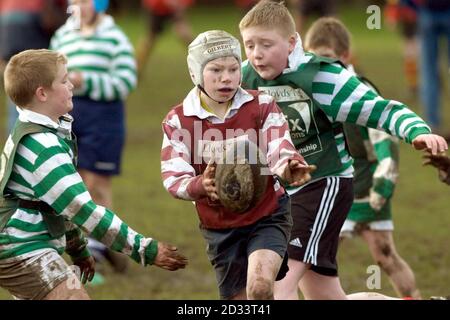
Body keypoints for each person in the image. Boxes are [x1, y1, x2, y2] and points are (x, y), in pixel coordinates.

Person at [239, 0, 447, 300]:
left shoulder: (320, 76)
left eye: (266, 44)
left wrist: (417, 130)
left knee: (270, 288)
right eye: (249, 44)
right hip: (282, 195)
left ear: (292, 42)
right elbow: (206, 112)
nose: (257, 53)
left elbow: (378, 109)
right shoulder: (245, 77)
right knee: (324, 296)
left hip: (322, 185)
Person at [0, 49, 187, 300]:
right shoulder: (42, 145)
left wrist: (76, 246)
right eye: (64, 80)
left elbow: (56, 204)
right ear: (42, 93)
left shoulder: (37, 130)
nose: (71, 85)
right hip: (18, 247)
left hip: (23, 243)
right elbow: (82, 209)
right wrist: (144, 249)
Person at [160, 30, 315, 300]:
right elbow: (173, 177)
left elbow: (279, 144)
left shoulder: (262, 104)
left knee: (260, 288)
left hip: (267, 216)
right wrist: (200, 184)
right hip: (220, 229)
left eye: (233, 68)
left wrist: (288, 165)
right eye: (216, 70)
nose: (226, 77)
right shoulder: (179, 120)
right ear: (196, 73)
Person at [304, 16, 421, 299]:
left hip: (367, 189)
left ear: (344, 56)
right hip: (330, 190)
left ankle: (412, 297)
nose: (322, 65)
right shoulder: (306, 91)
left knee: (385, 256)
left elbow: (385, 141)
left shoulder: (360, 91)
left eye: (328, 58)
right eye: (314, 58)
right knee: (311, 261)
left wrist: (384, 182)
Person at [50, 0, 137, 273]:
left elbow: (126, 81)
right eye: (74, 1)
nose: (79, 7)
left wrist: (86, 81)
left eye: (86, 1)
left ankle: (94, 255)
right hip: (69, 118)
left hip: (104, 119)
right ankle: (106, 248)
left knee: (95, 185)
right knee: (73, 188)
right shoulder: (62, 36)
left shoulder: (115, 38)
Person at [0, 0, 67, 133]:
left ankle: (16, 141)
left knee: (17, 93)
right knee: (37, 93)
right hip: (31, 30)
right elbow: (51, 19)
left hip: (7, 35)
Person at [136, 0, 194, 77]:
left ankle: (203, 62)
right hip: (156, 8)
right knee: (150, 40)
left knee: (185, 35)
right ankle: (136, 68)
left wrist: (181, 4)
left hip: (174, 9)